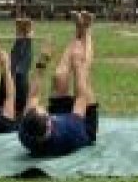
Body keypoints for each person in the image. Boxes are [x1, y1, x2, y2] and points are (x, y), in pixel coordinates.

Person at [18, 11, 98, 157]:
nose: (43, 107)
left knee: (59, 76)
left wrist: (43, 60)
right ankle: (87, 30)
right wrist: (77, 65)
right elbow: (81, 97)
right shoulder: (69, 134)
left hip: (61, 119)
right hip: (84, 125)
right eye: (44, 111)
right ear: (49, 123)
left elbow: (33, 95)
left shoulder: (26, 131)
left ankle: (78, 29)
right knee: (81, 67)